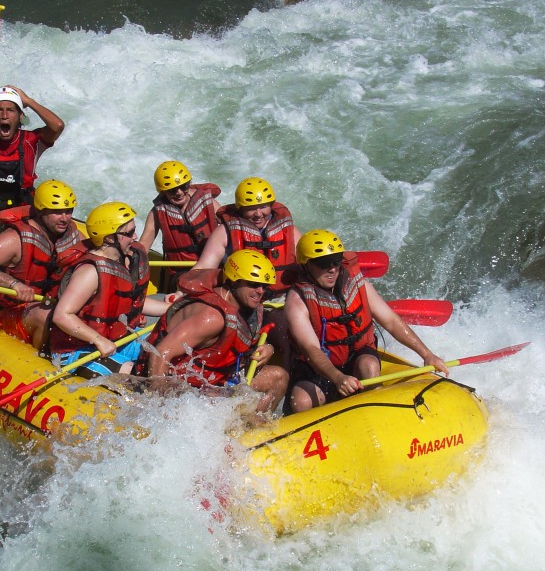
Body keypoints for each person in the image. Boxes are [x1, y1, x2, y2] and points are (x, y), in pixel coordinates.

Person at [285, 229, 450, 413]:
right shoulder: (296, 300)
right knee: (301, 401)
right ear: (306, 265)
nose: (332, 269)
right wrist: (338, 377)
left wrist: (426, 354)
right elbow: (311, 349)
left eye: (336, 262)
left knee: (369, 365)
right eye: (323, 264)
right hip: (318, 369)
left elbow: (391, 321)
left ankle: (376, 412)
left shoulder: (356, 283)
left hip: (356, 358)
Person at [135, 250, 288, 415]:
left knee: (278, 378)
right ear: (233, 281)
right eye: (252, 284)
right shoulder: (212, 317)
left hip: (215, 383)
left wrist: (267, 348)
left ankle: (251, 431)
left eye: (264, 287)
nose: (260, 291)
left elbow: (235, 342)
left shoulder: (243, 306)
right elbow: (161, 354)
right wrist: (157, 406)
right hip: (182, 389)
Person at [50, 202, 170, 375]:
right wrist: (98, 340)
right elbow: (62, 316)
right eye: (128, 233)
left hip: (117, 339)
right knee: (137, 375)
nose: (135, 236)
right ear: (109, 238)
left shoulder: (122, 262)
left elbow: (130, 303)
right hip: (77, 349)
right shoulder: (90, 272)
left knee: (166, 354)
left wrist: (172, 309)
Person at [0, 180, 85, 350]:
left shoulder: (73, 235)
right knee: (45, 315)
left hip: (45, 303)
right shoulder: (15, 239)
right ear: (41, 211)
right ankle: (42, 358)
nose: (64, 218)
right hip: (6, 312)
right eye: (57, 212)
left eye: (68, 211)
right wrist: (13, 284)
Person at [192, 176, 301, 297]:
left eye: (263, 207)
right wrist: (182, 291)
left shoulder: (289, 230)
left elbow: (310, 266)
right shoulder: (224, 232)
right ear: (241, 208)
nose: (258, 214)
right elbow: (204, 267)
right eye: (251, 209)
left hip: (281, 299)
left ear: (271, 206)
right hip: (241, 299)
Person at [138, 161, 222, 291]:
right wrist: (130, 263)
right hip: (182, 271)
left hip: (212, 265)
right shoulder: (157, 212)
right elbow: (144, 244)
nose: (179, 193)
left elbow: (230, 228)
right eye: (172, 190)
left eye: (184, 186)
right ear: (163, 192)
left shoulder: (207, 201)